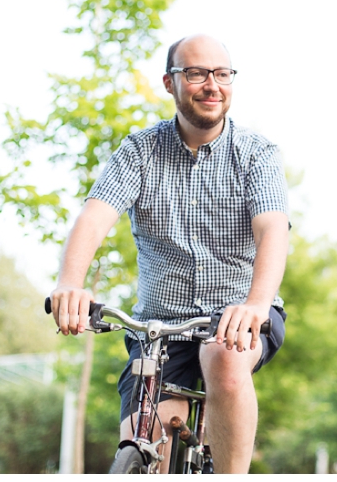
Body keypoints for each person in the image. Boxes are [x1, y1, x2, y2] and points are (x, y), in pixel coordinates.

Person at [48, 34, 289, 474]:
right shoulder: (140, 152)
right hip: (160, 327)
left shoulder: (257, 154)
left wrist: (256, 304)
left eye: (222, 74)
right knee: (144, 435)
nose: (211, 84)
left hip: (238, 318)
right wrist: (70, 282)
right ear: (169, 82)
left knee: (223, 357)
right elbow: (94, 218)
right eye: (196, 73)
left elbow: (272, 229)